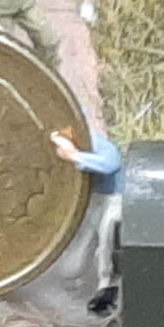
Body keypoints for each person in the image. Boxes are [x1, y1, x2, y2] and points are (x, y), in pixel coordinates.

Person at [51, 125, 122, 316]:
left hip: (113, 198)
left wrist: (76, 157)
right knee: (81, 240)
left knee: (107, 242)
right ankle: (70, 278)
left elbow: (111, 163)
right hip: (92, 198)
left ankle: (106, 291)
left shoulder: (98, 144)